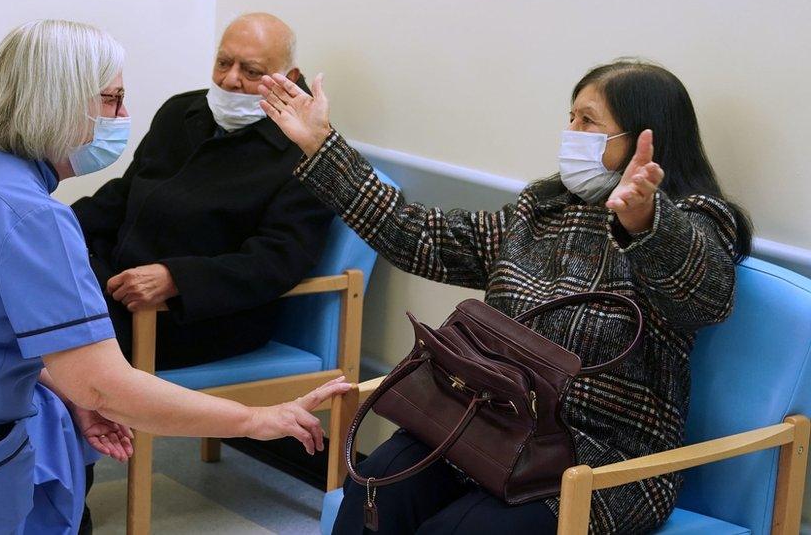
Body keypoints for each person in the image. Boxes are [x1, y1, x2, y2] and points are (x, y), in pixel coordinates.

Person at [0, 19, 349, 535]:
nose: (124, 116)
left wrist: (76, 386)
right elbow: (104, 388)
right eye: (112, 99)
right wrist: (255, 420)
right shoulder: (32, 218)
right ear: (59, 102)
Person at [258, 59, 753, 534]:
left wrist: (645, 221)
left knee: (460, 529)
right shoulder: (541, 211)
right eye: (571, 117)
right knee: (381, 487)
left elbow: (704, 299)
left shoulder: (697, 220)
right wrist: (324, 146)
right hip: (491, 421)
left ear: (644, 138)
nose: (571, 132)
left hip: (603, 454)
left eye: (589, 122)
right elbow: (420, 236)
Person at [71, 12, 334, 370]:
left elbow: (276, 261)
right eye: (224, 63)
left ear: (289, 79)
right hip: (119, 285)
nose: (231, 80)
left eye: (252, 71)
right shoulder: (180, 112)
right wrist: (55, 224)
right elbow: (126, 193)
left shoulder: (310, 151)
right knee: (25, 296)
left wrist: (175, 279)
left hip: (200, 315)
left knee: (58, 342)